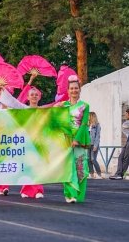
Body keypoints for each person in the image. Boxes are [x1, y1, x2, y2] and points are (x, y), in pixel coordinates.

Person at [0, 85, 46, 198]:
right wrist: (3, 89)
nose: (34, 96)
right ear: (28, 97)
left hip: (39, 141)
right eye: (32, 95)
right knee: (28, 165)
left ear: (39, 97)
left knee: (37, 166)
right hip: (27, 141)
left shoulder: (44, 110)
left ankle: (38, 190)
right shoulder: (24, 108)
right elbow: (13, 102)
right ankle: (26, 190)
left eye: (36, 95)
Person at [56, 75, 91, 203]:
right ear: (68, 90)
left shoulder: (85, 106)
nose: (74, 91)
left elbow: (84, 124)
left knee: (81, 167)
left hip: (80, 140)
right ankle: (69, 194)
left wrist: (76, 139)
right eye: (71, 88)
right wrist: (56, 107)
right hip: (65, 139)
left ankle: (79, 195)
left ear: (79, 90)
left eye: (76, 88)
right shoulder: (63, 105)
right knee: (67, 167)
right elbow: (53, 117)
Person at [109, 108, 129, 180]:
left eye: (126, 114)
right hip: (127, 141)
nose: (125, 115)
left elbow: (124, 126)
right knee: (121, 157)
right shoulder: (126, 122)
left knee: (126, 158)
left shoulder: (127, 123)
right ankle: (119, 173)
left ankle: (120, 174)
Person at [88, 112, 102, 179]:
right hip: (87, 144)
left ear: (92, 117)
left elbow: (97, 136)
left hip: (94, 144)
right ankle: (92, 174)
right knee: (88, 159)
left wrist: (96, 145)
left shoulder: (97, 125)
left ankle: (99, 174)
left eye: (88, 116)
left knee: (93, 159)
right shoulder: (87, 125)